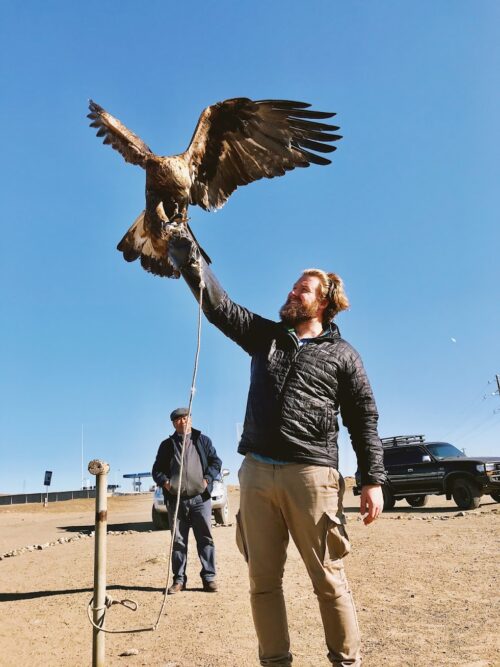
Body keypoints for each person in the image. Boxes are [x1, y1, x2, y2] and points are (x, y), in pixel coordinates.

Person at [168, 229, 385, 666]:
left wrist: (372, 479)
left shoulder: (343, 354)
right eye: (292, 285)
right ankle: (275, 661)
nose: (292, 292)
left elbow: (363, 417)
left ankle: (346, 661)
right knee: (262, 582)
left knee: (328, 579)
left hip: (312, 475)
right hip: (257, 473)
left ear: (323, 301)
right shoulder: (265, 336)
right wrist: (187, 253)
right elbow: (220, 307)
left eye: (302, 289)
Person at [152, 407, 222, 593]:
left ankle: (209, 578)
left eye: (185, 418)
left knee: (205, 539)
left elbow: (216, 462)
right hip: (177, 501)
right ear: (174, 423)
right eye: (178, 420)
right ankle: (179, 580)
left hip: (200, 499)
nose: (182, 422)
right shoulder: (167, 445)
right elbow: (157, 470)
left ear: (190, 419)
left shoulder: (202, 440)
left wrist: (207, 479)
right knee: (178, 542)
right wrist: (166, 483)